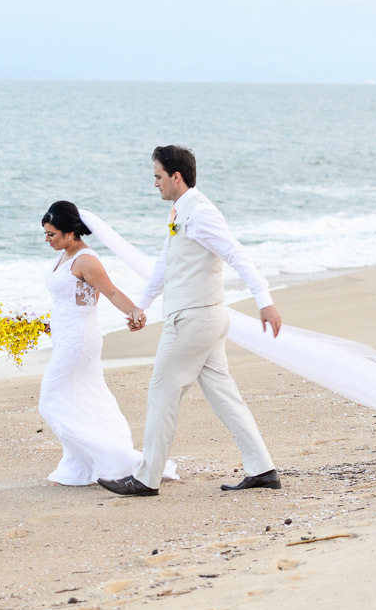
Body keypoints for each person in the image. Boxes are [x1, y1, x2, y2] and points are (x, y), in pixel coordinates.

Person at [97, 145, 281, 497]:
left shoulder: (200, 213)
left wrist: (265, 301)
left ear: (175, 176)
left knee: (161, 391)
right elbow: (165, 265)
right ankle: (263, 469)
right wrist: (141, 306)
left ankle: (146, 478)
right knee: (225, 396)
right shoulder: (180, 212)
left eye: (157, 176)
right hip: (206, 318)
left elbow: (236, 255)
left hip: (193, 320)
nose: (155, 184)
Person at [38, 201, 175, 486]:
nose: (47, 239)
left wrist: (136, 311)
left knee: (50, 401)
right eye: (46, 234)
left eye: (52, 234)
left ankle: (113, 460)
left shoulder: (86, 259)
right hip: (66, 336)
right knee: (84, 399)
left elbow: (110, 292)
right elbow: (75, 299)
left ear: (71, 233)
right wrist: (47, 323)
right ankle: (80, 465)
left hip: (78, 340)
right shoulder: (64, 256)